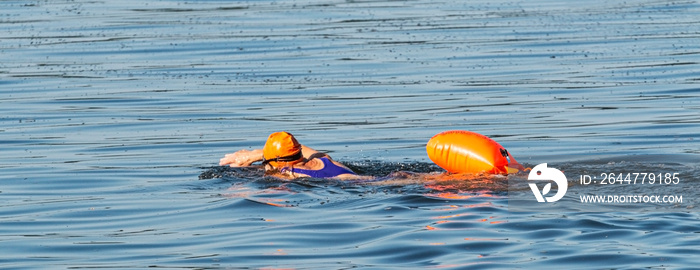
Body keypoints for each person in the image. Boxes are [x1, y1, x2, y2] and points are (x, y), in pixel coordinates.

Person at [219, 131, 360, 179]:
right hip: (370, 180)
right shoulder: (323, 158)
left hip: (366, 184)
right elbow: (303, 148)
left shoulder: (287, 174)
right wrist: (256, 155)